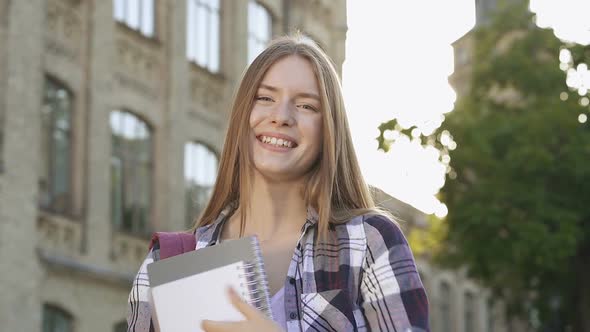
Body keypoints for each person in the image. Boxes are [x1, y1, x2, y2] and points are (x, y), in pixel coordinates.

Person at [127, 34, 429, 332]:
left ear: (329, 129)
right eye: (265, 98)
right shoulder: (165, 265)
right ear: (242, 114)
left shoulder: (368, 242)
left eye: (306, 106)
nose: (281, 116)